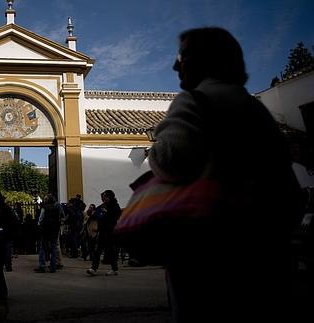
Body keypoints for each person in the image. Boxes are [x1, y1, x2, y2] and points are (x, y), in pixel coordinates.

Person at [146, 27, 302, 323]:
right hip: (270, 256)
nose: (175, 65)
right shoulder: (256, 109)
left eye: (183, 57)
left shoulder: (194, 100)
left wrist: (157, 143)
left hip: (207, 257)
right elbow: (289, 193)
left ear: (207, 60)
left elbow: (169, 161)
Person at [86, 190, 121, 276]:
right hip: (102, 232)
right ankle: (93, 268)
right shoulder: (103, 206)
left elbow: (114, 218)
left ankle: (114, 269)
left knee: (111, 251)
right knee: (97, 250)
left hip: (110, 232)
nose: (103, 198)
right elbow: (95, 214)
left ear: (109, 197)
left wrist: (106, 214)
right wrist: (91, 213)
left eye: (104, 197)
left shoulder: (115, 207)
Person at [34, 194, 63, 273]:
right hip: (54, 231)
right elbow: (60, 218)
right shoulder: (57, 208)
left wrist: (39, 226)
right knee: (53, 249)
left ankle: (42, 266)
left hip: (45, 230)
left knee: (42, 248)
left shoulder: (45, 208)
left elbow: (40, 219)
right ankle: (53, 267)